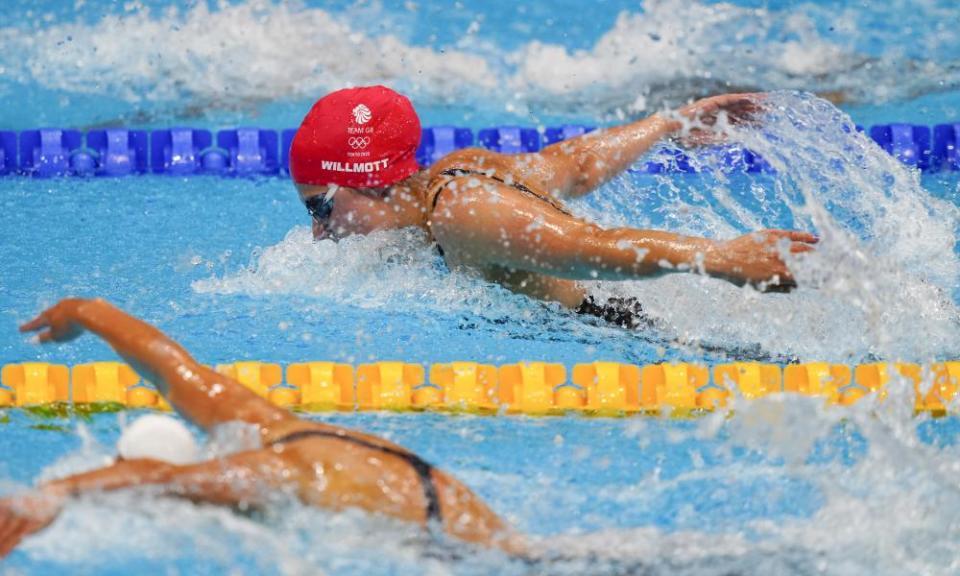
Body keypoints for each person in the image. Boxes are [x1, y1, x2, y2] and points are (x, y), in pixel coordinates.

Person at [0, 298, 524, 558]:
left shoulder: (271, 471)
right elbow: (175, 370)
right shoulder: (265, 426)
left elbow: (161, 479)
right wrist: (86, 312)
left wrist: (54, 492)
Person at [290, 86, 817, 328]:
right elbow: (574, 164)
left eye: (321, 209)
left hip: (631, 327)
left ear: (369, 181)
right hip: (648, 312)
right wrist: (667, 124)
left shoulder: (463, 212)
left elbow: (591, 248)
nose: (319, 233)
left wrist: (719, 258)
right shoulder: (462, 169)